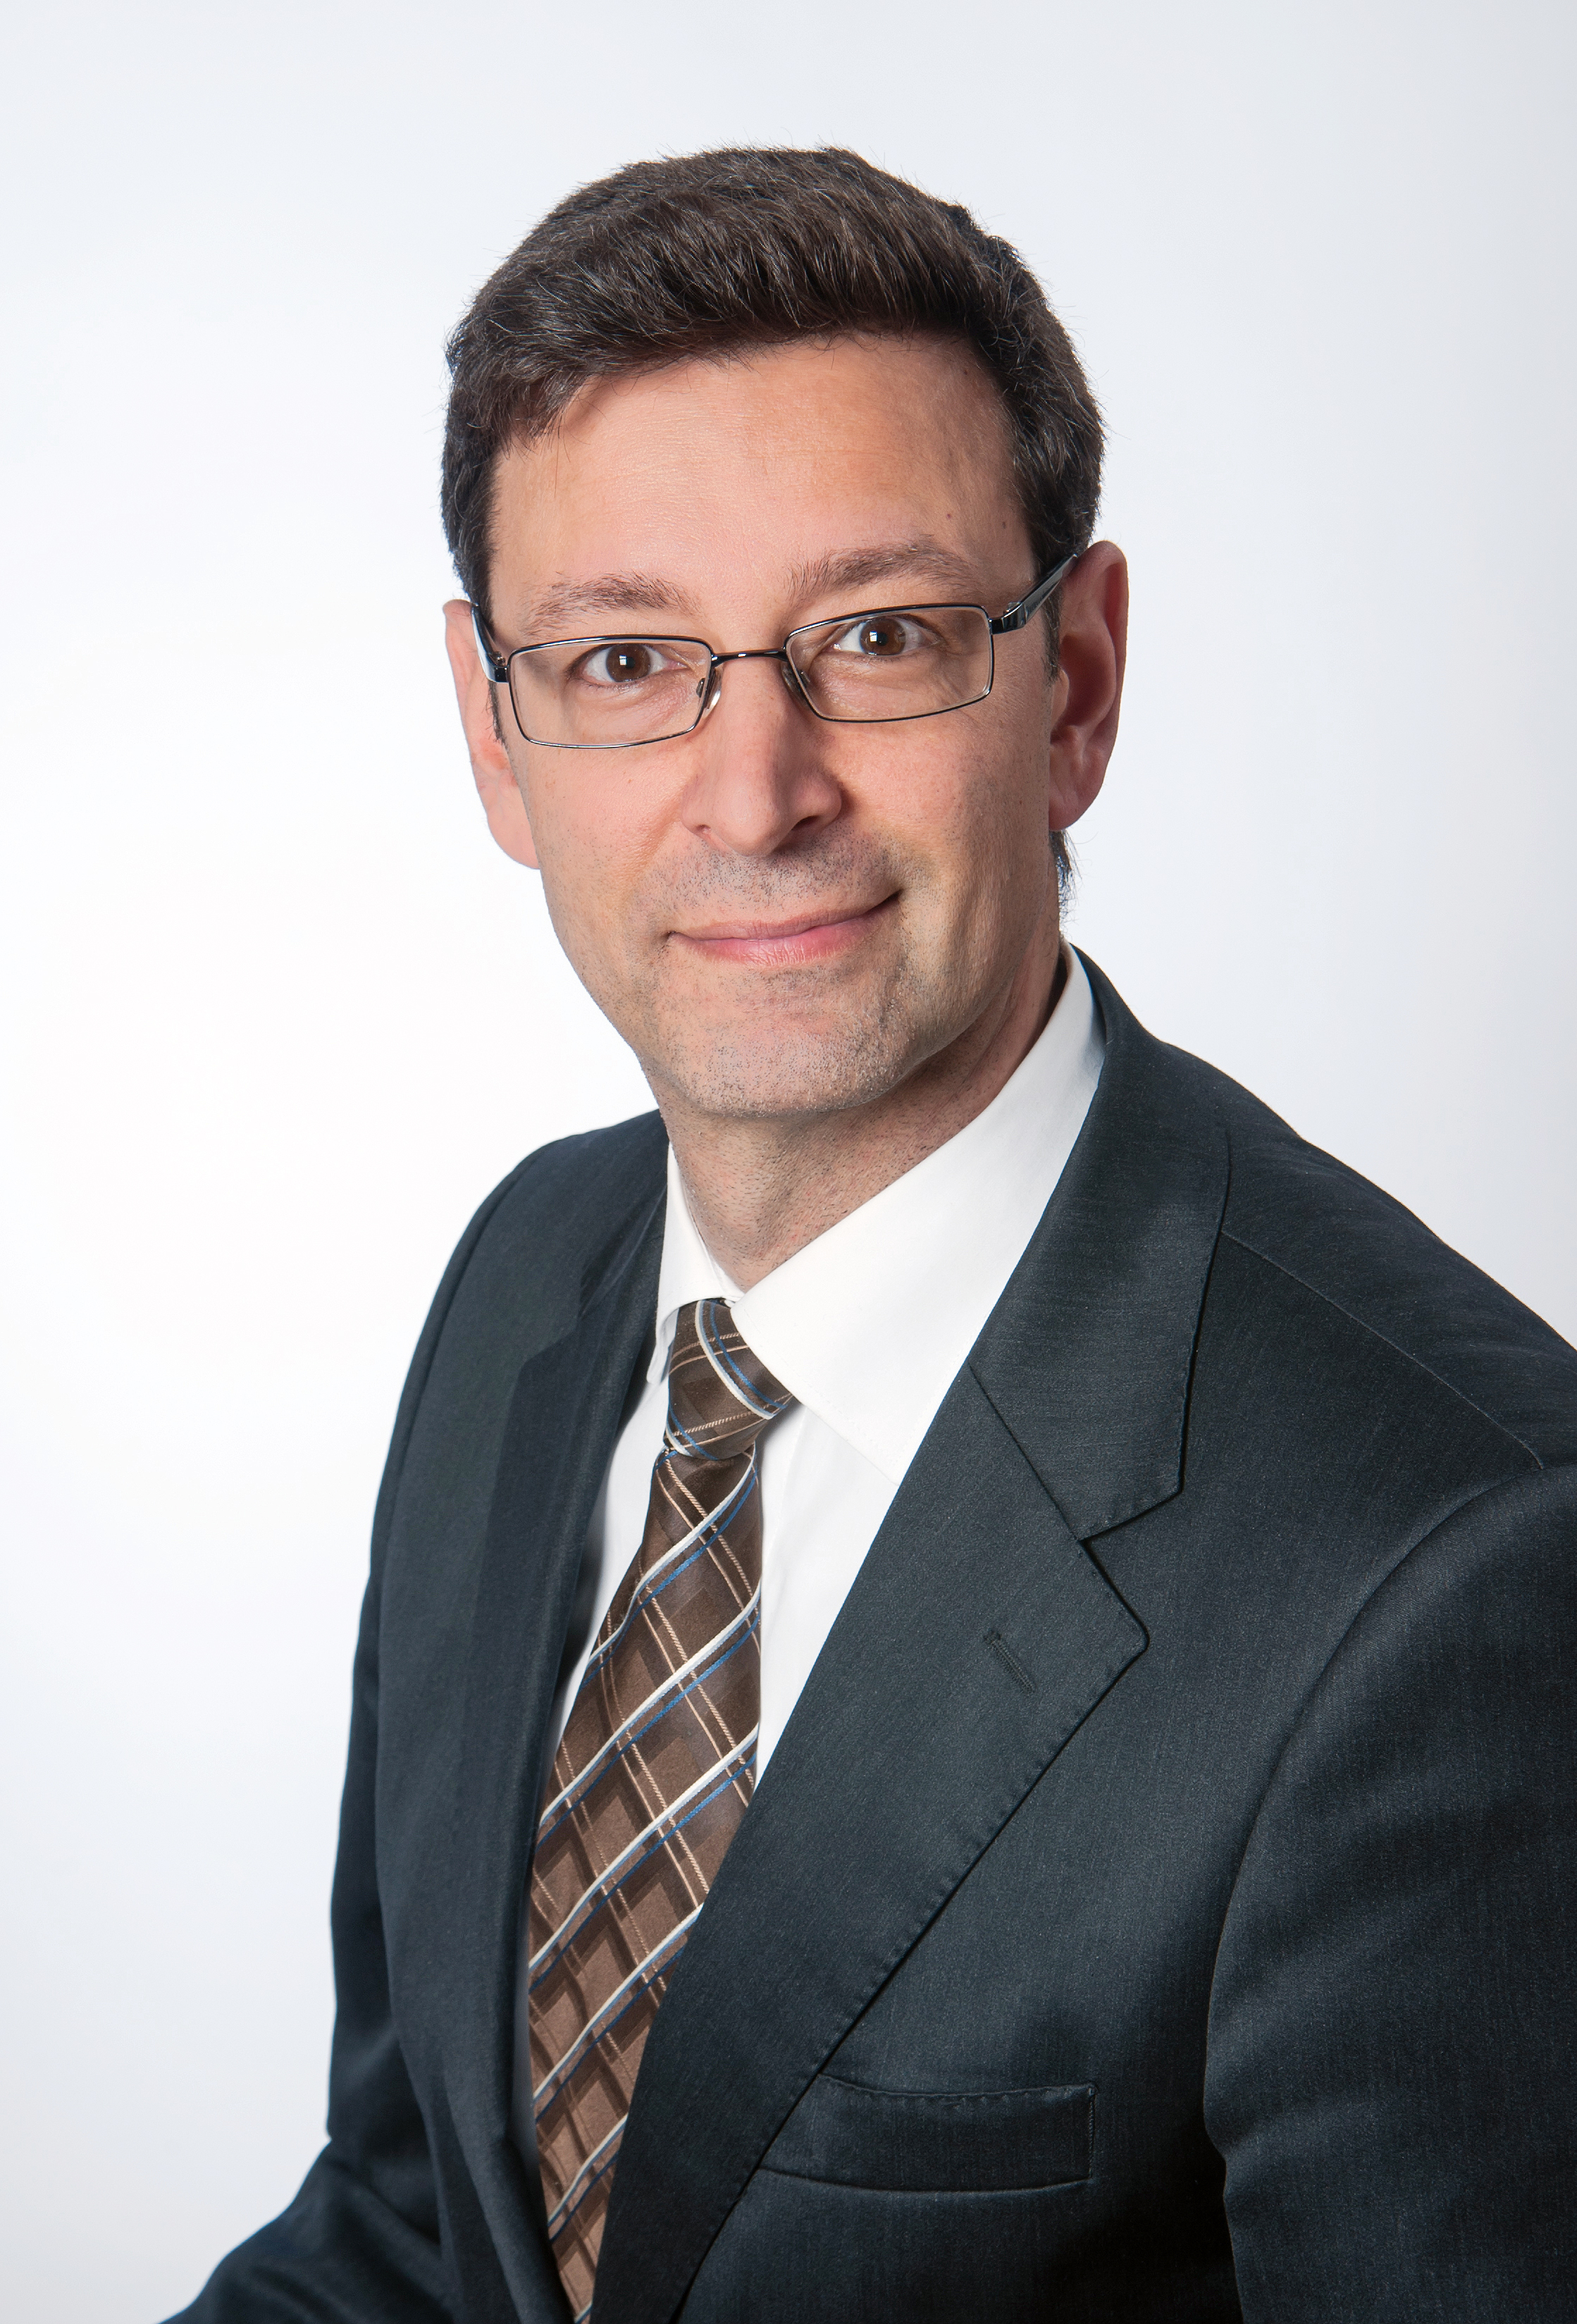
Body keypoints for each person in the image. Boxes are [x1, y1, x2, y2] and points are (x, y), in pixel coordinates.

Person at [168, 147, 1577, 2324]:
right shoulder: (527, 1284)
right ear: (499, 734)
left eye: (882, 639)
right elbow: (411, 2235)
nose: (756, 793)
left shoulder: (1459, 1564)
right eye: (625, 659)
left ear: (1076, 682)